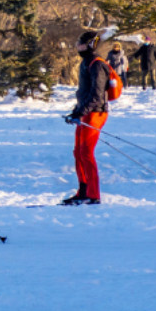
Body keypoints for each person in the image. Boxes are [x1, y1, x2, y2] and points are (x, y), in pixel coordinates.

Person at [63, 30, 110, 205]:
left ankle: (93, 194)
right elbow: (85, 92)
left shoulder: (97, 64)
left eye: (80, 43)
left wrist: (81, 111)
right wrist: (76, 110)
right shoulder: (86, 63)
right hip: (85, 112)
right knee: (78, 152)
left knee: (86, 153)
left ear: (90, 44)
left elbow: (97, 95)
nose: (77, 46)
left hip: (96, 112)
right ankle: (83, 190)